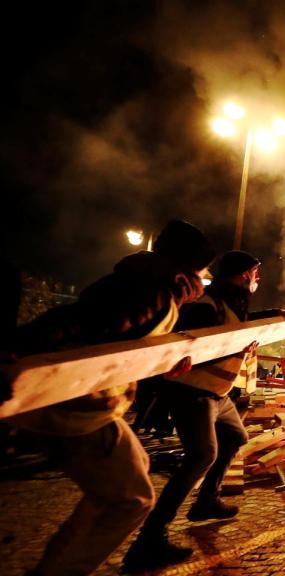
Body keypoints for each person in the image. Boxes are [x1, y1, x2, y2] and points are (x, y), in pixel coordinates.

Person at [4, 219, 214, 576]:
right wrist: (17, 351)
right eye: (204, 268)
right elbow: (80, 322)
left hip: (96, 405)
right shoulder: (152, 292)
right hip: (75, 408)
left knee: (133, 473)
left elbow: (121, 348)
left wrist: (162, 365)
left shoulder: (151, 284)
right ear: (189, 267)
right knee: (132, 499)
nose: (207, 276)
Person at [123, 250, 285, 570]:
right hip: (192, 392)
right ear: (243, 274)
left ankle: (206, 501)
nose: (258, 278)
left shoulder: (232, 305)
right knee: (202, 455)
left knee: (235, 437)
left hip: (218, 394)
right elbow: (190, 347)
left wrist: (277, 315)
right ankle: (149, 538)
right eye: (255, 272)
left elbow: (240, 326)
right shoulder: (207, 305)